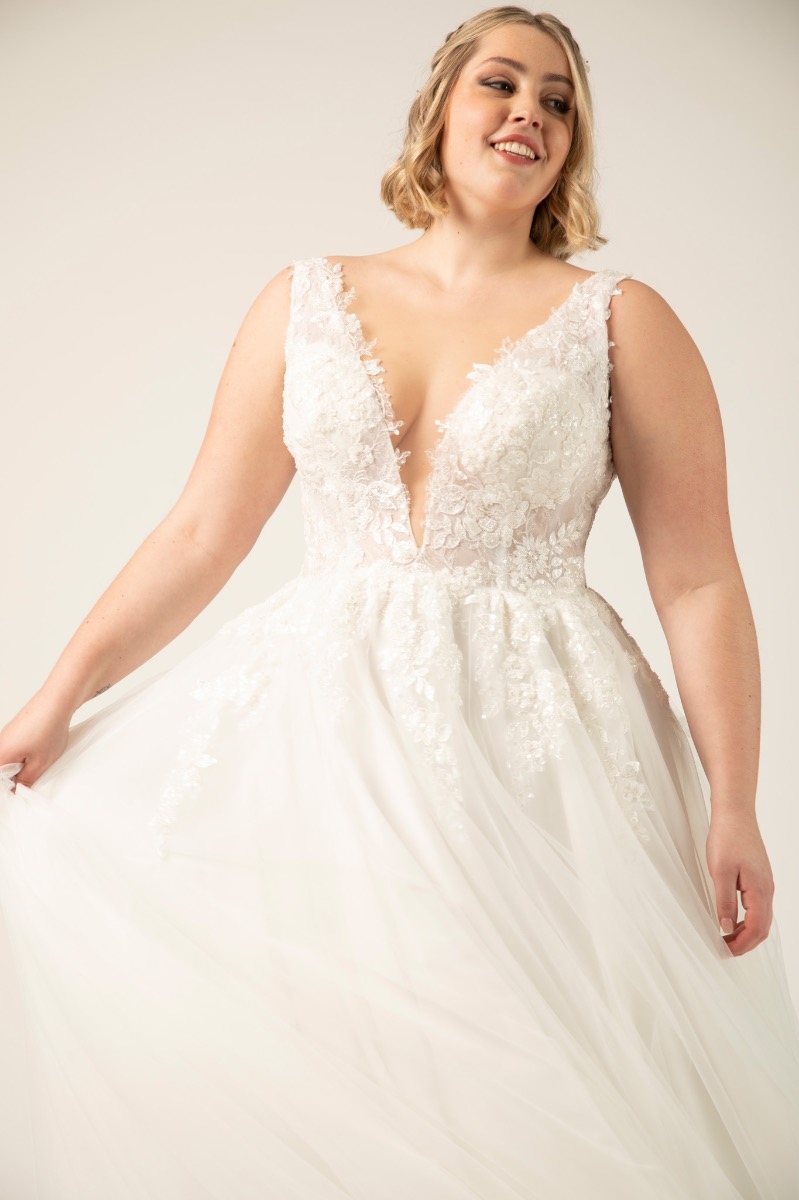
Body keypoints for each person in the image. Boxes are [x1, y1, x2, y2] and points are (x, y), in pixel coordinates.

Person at [1, 5, 798, 1197]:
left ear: (572, 145)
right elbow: (202, 532)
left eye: (558, 100)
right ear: (438, 112)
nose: (528, 111)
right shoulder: (303, 298)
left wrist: (733, 803)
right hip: (320, 740)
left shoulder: (621, 321)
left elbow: (697, 578)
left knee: (532, 1074)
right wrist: (55, 699)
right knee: (340, 1061)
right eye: (500, 83)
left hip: (540, 757)